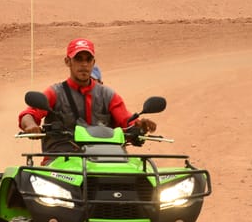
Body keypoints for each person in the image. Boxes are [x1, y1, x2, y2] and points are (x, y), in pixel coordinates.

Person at [19, 38, 157, 154]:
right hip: (61, 162)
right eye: (78, 59)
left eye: (88, 59)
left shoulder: (108, 95)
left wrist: (139, 126)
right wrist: (31, 125)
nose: (84, 64)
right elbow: (29, 114)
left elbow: (126, 121)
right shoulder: (55, 92)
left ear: (93, 62)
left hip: (106, 160)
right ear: (68, 61)